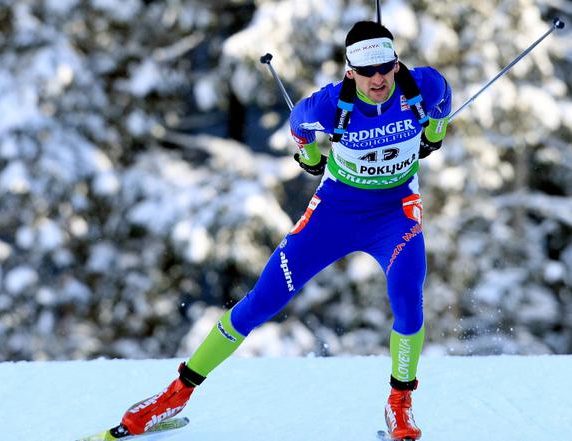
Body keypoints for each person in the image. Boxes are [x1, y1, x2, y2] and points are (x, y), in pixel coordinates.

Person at [109, 20, 451, 441]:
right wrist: (309, 159)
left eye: (385, 67)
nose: (378, 79)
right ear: (350, 73)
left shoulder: (424, 87)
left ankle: (399, 404)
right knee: (261, 301)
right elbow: (298, 126)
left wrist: (434, 135)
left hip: (395, 213)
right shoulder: (327, 106)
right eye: (367, 72)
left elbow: (442, 103)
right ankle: (173, 396)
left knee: (408, 302)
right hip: (335, 213)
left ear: (396, 63)